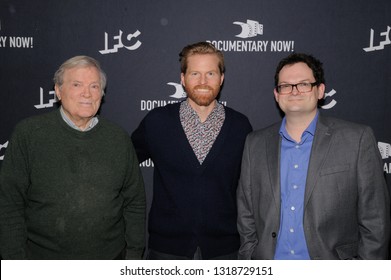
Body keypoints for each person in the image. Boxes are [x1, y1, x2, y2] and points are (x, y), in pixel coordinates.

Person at [237, 52, 390, 260]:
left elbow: (376, 220)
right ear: (276, 94)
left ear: (320, 90)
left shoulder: (357, 139)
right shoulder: (255, 143)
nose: (294, 91)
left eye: (303, 84)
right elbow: (246, 212)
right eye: (285, 86)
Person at [0, 55, 146, 259]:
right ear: (58, 91)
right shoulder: (29, 134)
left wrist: (133, 255)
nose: (87, 93)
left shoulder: (118, 138)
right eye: (77, 84)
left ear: (101, 94)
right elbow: (8, 203)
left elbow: (135, 201)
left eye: (94, 86)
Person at [131, 41, 252, 259]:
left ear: (221, 78)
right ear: (182, 78)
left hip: (224, 251)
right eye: (195, 73)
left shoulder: (240, 127)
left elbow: (252, 189)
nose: (203, 81)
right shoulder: (157, 122)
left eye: (211, 74)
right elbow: (122, 164)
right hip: (166, 251)